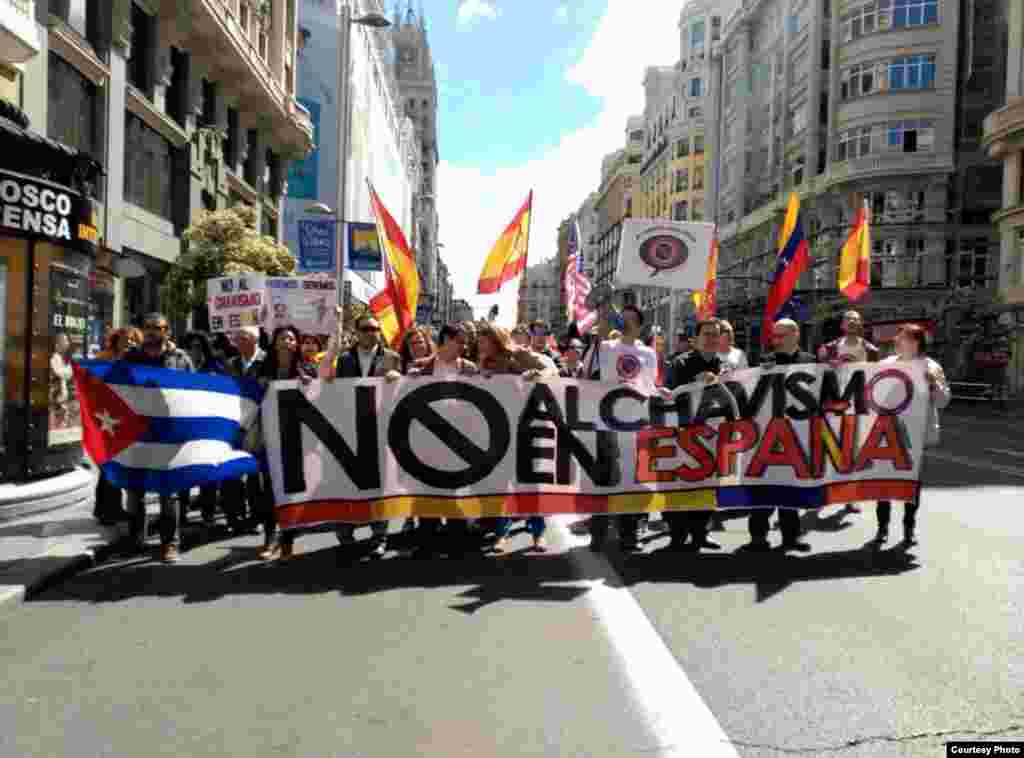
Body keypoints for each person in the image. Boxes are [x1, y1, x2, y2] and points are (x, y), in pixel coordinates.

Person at [320, 313, 401, 556]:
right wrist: (332, 351)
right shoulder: (343, 359)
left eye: (375, 328)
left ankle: (379, 536)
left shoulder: (391, 357)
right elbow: (324, 378)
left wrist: (396, 379)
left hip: (379, 429)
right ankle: (345, 535)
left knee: (379, 485)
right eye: (365, 328)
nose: (370, 332)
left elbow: (401, 392)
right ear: (357, 332)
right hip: (348, 428)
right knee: (346, 482)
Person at [476, 323, 559, 553]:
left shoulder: (518, 353)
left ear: (495, 341)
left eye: (483, 341)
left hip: (526, 424)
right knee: (502, 483)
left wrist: (538, 375)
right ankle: (501, 535)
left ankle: (539, 533)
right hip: (497, 428)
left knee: (531, 482)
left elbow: (550, 370)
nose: (479, 345)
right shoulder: (484, 361)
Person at [122, 313, 195, 563]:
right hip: (138, 432)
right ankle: (136, 540)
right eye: (148, 328)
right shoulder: (131, 358)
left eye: (158, 328)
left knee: (168, 492)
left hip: (168, 433)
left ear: (167, 332)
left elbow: (193, 392)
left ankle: (169, 544)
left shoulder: (181, 359)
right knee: (135, 491)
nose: (152, 332)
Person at [588, 304, 658, 552]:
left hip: (635, 423)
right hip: (607, 421)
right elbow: (590, 365)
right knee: (605, 479)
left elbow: (650, 386)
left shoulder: (648, 353)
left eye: (629, 320)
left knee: (632, 480)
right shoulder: (606, 347)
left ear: (639, 326)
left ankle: (629, 535)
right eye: (621, 319)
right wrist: (604, 324)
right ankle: (598, 535)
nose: (624, 323)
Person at [874, 324, 950, 546]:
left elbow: (943, 401)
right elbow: (870, 393)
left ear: (915, 341)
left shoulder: (931, 366)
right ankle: (882, 528)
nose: (897, 340)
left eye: (902, 337)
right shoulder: (885, 364)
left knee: (912, 485)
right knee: (884, 483)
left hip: (915, 436)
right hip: (886, 433)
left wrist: (933, 384)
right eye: (897, 337)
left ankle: (909, 528)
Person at [745, 318, 816, 553]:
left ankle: (791, 537)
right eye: (774, 336)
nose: (776, 340)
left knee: (790, 487)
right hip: (767, 434)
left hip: (796, 435)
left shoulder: (811, 362)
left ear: (795, 334)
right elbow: (751, 397)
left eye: (781, 335)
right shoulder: (765, 361)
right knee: (763, 485)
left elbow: (819, 395)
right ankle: (758, 537)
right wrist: (759, 376)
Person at [664, 319, 724, 552]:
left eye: (715, 335)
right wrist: (695, 383)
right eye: (707, 334)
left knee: (709, 486)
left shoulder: (726, 366)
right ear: (696, 339)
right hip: (684, 434)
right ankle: (677, 536)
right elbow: (668, 396)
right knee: (679, 486)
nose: (711, 339)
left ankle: (701, 533)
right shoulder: (680, 363)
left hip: (714, 435)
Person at [262, 326, 319, 561]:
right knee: (270, 491)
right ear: (275, 343)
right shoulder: (262, 368)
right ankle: (269, 538)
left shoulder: (307, 368)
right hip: (268, 436)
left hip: (296, 436)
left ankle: (287, 541)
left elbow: (319, 398)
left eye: (291, 338)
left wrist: (310, 384)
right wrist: (260, 384)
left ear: (296, 344)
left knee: (292, 491)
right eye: (282, 338)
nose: (287, 341)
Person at [92, 327, 143, 525]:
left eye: (133, 339)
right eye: (125, 339)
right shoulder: (104, 359)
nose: (129, 342)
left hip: (125, 420)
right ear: (116, 341)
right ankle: (108, 510)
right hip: (105, 419)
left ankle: (107, 508)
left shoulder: (137, 362)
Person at [223, 326, 268, 536]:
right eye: (236, 338)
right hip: (235, 423)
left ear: (254, 340)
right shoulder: (231, 364)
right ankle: (235, 517)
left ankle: (257, 518)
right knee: (232, 472)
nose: (236, 342)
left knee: (254, 474)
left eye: (241, 338)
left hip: (259, 424)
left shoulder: (267, 361)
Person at [183, 331, 229, 527]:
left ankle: (208, 513)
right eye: (192, 347)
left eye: (199, 347)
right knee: (183, 471)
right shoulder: (181, 365)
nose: (195, 351)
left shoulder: (215, 366)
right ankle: (181, 512)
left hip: (209, 428)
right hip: (186, 426)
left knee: (207, 472)